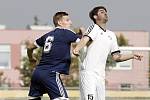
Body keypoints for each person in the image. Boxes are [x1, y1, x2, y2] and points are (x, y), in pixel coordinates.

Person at [73, 6, 143, 100]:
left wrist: (132, 56)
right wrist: (77, 49)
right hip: (89, 73)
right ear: (95, 16)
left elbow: (116, 57)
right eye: (102, 12)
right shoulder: (94, 27)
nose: (105, 13)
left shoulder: (111, 35)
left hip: (101, 75)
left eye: (106, 12)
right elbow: (86, 38)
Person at [26, 12, 80, 100]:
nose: (71, 22)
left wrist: (31, 58)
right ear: (59, 22)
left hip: (37, 74)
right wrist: (84, 32)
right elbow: (85, 41)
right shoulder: (66, 32)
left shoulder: (47, 35)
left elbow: (29, 47)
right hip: (51, 74)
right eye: (67, 20)